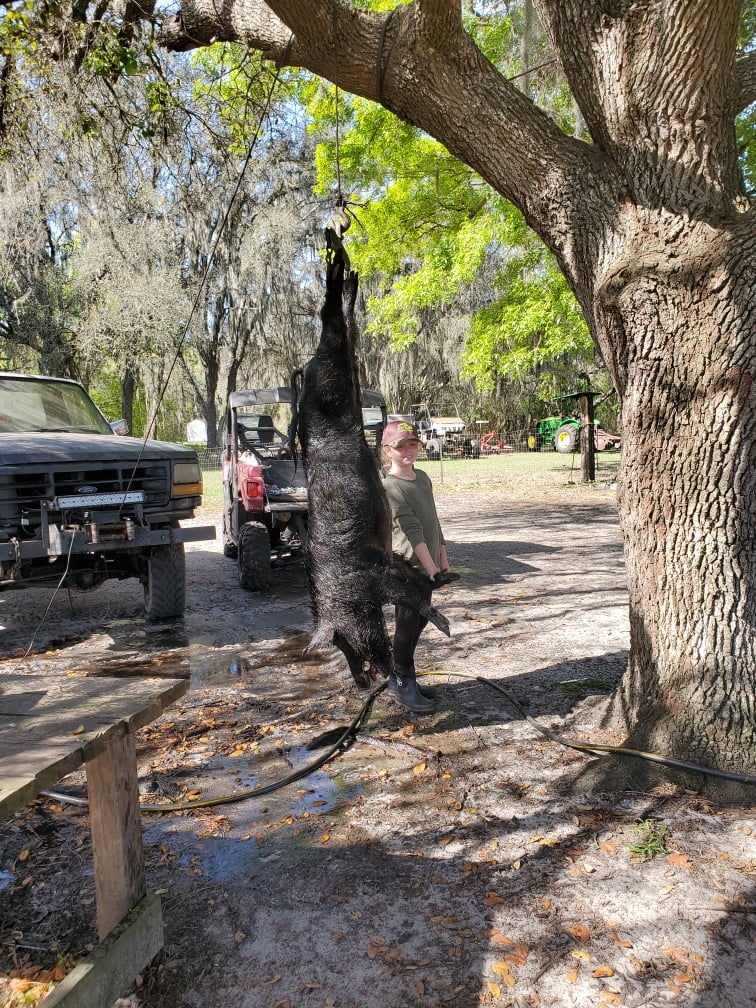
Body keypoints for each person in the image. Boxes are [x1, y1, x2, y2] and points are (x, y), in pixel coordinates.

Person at [382, 419, 451, 714]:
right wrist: (429, 566)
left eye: (412, 444)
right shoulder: (391, 486)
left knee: (421, 621)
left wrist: (443, 557)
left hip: (427, 565)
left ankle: (404, 681)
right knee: (407, 626)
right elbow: (411, 530)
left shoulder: (422, 477)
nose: (408, 451)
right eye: (401, 447)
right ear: (388, 451)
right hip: (407, 567)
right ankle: (401, 682)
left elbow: (432, 521)